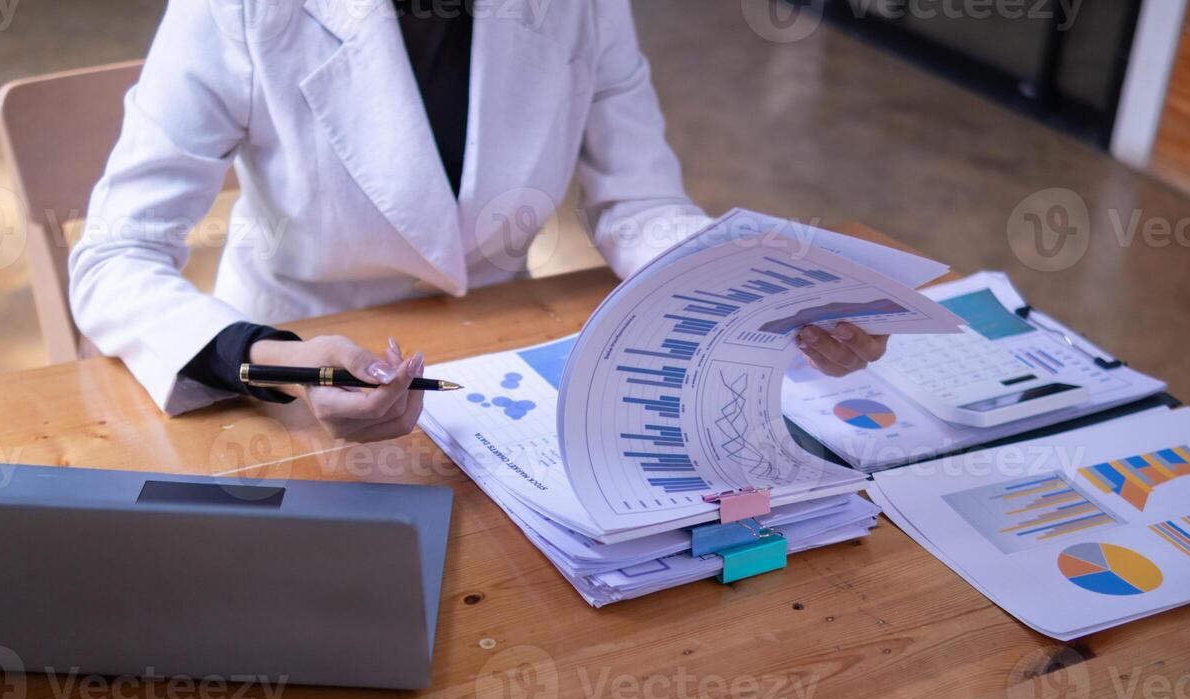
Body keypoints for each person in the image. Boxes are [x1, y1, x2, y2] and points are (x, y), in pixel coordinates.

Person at [70, 0, 888, 442]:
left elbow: (637, 203)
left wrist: (760, 288)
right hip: (290, 375)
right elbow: (115, 257)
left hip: (495, 372)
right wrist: (285, 363)